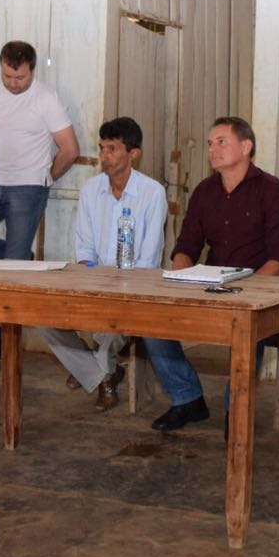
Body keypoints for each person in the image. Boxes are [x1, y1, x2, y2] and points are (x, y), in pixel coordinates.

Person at [142, 116, 279, 432]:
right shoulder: (204, 191)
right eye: (210, 144)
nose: (213, 149)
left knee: (247, 324)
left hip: (257, 292)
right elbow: (185, 247)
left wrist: (246, 295)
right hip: (209, 286)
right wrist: (183, 282)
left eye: (222, 142)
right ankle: (187, 398)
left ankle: (235, 410)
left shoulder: (272, 191)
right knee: (150, 322)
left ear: (246, 146)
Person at [38, 117, 166, 411]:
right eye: (101, 148)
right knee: (42, 318)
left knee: (111, 325)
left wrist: (117, 288)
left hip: (134, 286)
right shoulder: (90, 189)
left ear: (133, 154)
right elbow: (84, 246)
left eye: (112, 149)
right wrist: (92, 282)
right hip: (93, 282)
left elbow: (149, 257)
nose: (104, 155)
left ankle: (96, 376)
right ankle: (103, 373)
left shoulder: (152, 192)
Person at [0, 40, 79, 366]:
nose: (13, 84)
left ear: (32, 70)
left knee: (11, 272)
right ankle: (17, 256)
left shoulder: (46, 98)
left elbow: (70, 149)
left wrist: (46, 178)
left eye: (20, 78)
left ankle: (0, 339)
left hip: (29, 188)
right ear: (1, 67)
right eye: (7, 77)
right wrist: (0, 167)